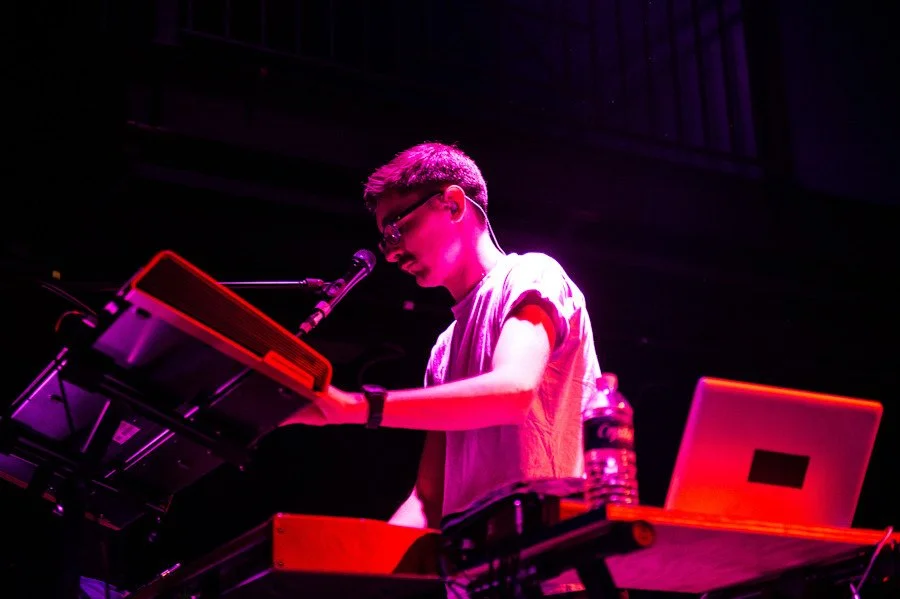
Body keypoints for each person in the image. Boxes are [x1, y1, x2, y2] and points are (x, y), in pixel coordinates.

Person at [283, 141, 602, 594]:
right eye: (385, 239)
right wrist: (351, 576)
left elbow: (513, 391)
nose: (391, 253)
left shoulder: (532, 275)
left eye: (397, 228)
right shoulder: (444, 350)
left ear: (452, 204)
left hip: (552, 579)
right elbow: (428, 501)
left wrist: (355, 407)